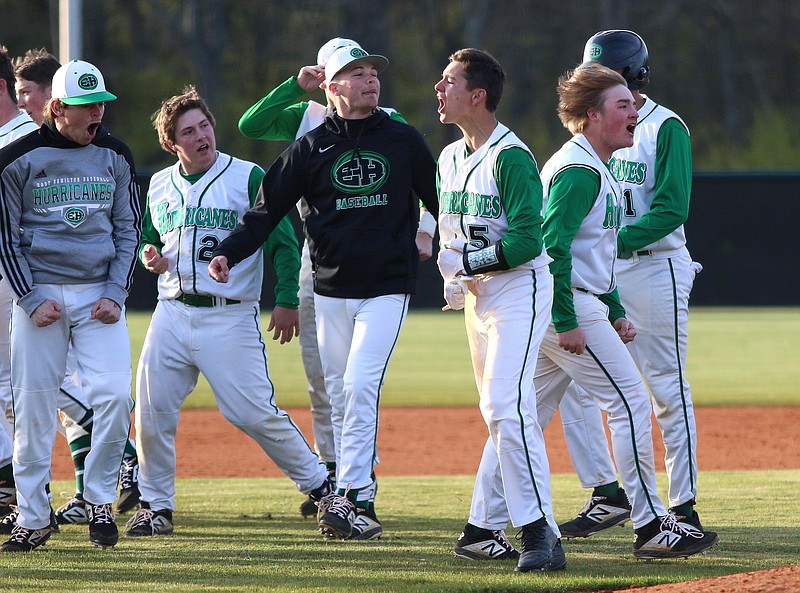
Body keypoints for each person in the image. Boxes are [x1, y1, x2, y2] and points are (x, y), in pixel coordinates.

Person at [209, 46, 439, 541]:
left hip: (387, 286)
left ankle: (356, 498)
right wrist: (229, 251)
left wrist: (448, 245)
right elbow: (264, 213)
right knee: (337, 394)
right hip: (331, 288)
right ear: (332, 88)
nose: (370, 80)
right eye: (356, 74)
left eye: (373, 72)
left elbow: (441, 196)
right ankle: (354, 495)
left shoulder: (401, 139)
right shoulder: (309, 147)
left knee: (358, 385)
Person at [124, 86, 332, 538]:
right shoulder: (160, 183)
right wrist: (149, 253)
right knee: (152, 411)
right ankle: (156, 506)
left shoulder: (248, 176)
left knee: (252, 412)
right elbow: (148, 235)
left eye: (204, 126)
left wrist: (287, 300)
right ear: (171, 143)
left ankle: (321, 486)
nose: (201, 136)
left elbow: (281, 239)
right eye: (188, 131)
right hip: (172, 312)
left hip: (229, 315)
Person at [533, 62, 718, 559]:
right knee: (617, 401)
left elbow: (671, 208)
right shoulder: (583, 163)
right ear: (592, 110)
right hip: (577, 290)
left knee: (659, 390)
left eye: (627, 94)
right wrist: (573, 310)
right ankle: (627, 507)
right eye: (618, 101)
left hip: (646, 269)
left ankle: (681, 507)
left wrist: (609, 282)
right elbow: (556, 243)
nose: (630, 108)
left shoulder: (661, 127)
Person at [0, 59, 141, 552]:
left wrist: (116, 293)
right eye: (86, 106)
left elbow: (129, 230)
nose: (97, 113)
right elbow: (5, 239)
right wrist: (32, 297)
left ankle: (99, 497)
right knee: (34, 411)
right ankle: (34, 518)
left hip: (98, 296)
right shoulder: (17, 158)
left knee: (113, 397)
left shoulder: (116, 155)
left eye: (101, 103)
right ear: (57, 108)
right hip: (39, 299)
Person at [434, 48, 565, 573]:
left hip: (519, 291)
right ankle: (512, 530)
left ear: (477, 95)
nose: (439, 90)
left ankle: (538, 532)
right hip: (479, 298)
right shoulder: (449, 156)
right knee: (506, 414)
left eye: (449, 81)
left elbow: (530, 241)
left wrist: (466, 259)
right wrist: (451, 269)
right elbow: (443, 225)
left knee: (505, 409)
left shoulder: (511, 156)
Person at [0, 44, 39, 519]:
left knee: (16, 382)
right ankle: (11, 482)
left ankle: (18, 486)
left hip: (20, 272)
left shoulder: (25, 136)